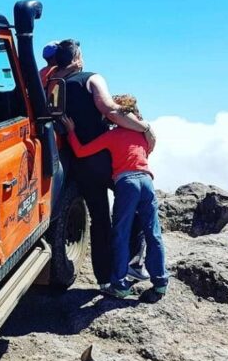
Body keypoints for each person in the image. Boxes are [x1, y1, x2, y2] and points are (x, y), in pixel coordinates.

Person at [51, 39, 156, 291]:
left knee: (99, 219)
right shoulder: (91, 78)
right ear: (78, 57)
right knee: (135, 206)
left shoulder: (53, 86)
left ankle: (105, 279)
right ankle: (133, 262)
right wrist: (145, 128)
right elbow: (109, 109)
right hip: (105, 158)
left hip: (79, 161)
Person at [61, 95, 168, 302]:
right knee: (153, 233)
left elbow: (81, 152)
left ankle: (119, 284)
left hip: (127, 183)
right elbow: (146, 152)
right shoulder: (143, 135)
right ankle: (160, 283)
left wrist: (72, 131)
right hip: (147, 181)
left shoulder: (112, 135)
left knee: (120, 233)